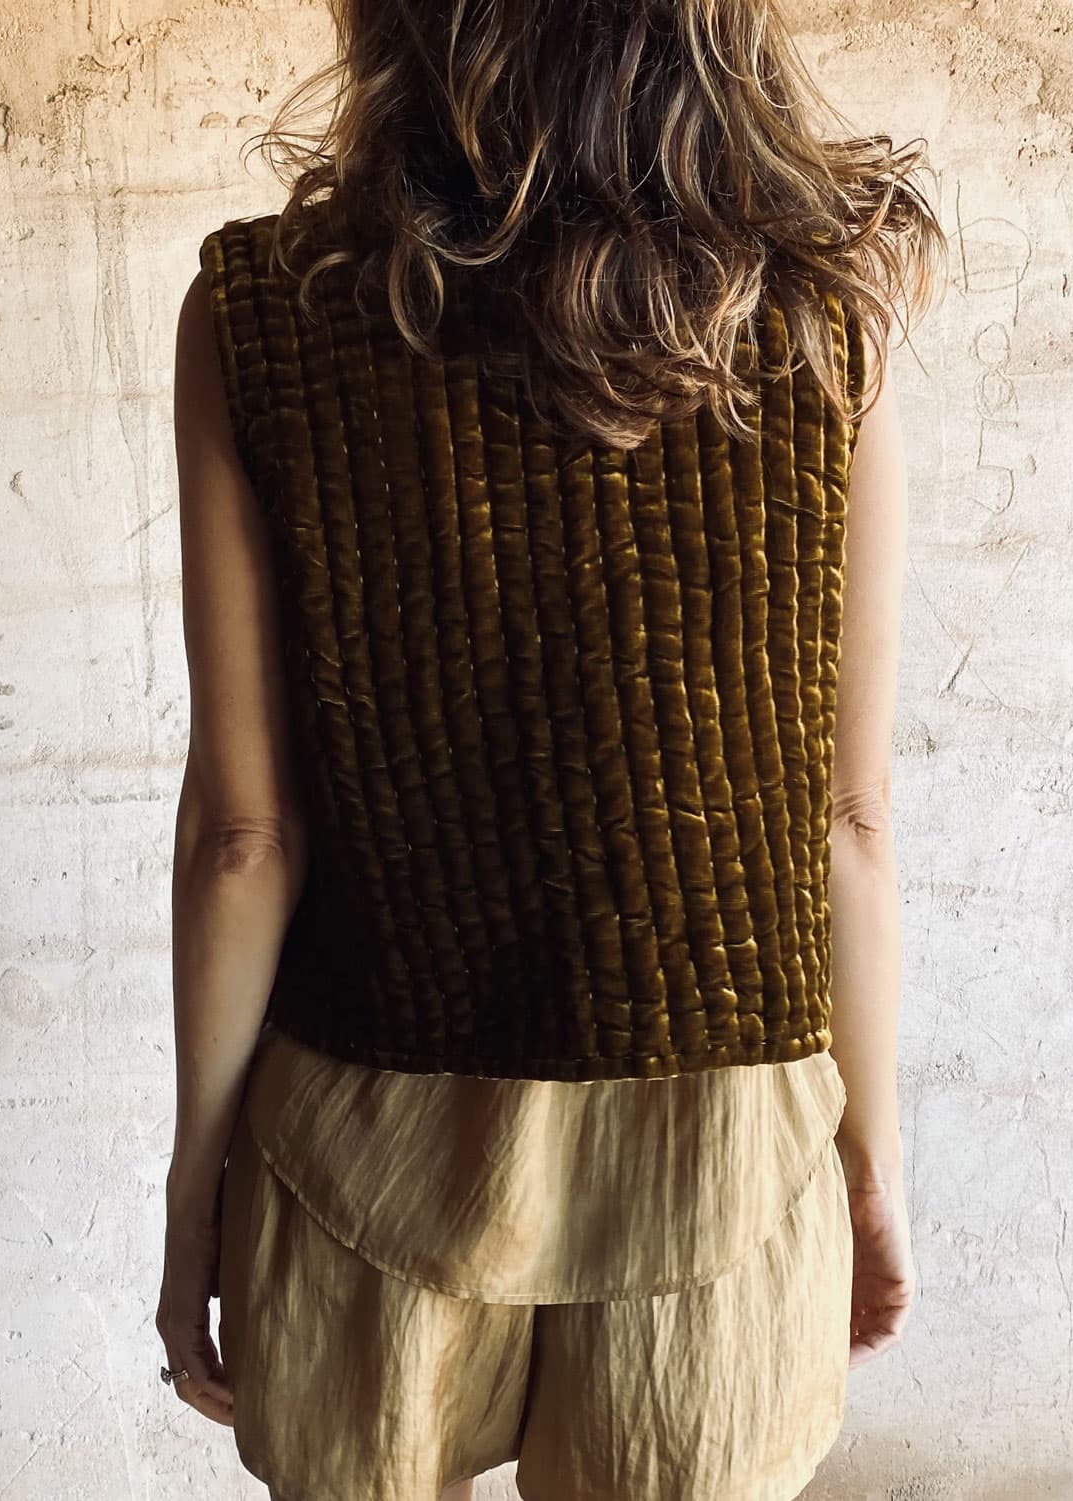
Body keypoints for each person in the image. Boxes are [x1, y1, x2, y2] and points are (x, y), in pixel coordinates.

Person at [158, 1, 945, 1496]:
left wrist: (196, 1187)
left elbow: (246, 837)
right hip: (723, 1155)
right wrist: (871, 1165)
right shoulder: (824, 316)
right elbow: (848, 818)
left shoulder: (263, 311)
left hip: (365, 1138)